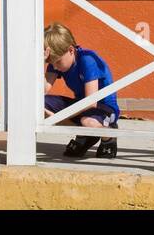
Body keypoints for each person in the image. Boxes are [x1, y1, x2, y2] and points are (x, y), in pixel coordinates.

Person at [43, 22, 119, 159]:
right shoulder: (55, 61)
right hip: (80, 107)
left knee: (88, 122)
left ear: (71, 50)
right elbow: (41, 91)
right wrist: (39, 62)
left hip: (103, 108)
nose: (54, 66)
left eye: (58, 62)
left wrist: (56, 117)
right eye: (50, 62)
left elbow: (90, 102)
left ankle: (109, 136)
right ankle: (86, 135)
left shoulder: (87, 59)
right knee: (38, 105)